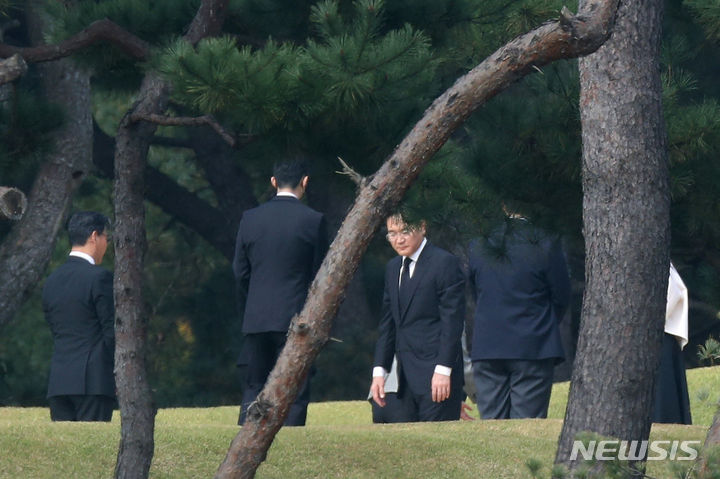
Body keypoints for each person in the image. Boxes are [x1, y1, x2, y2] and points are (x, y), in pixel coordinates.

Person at [233, 158, 328, 426]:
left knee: (254, 385)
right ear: (305, 182)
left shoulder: (250, 219)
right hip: (297, 317)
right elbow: (320, 276)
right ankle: (292, 438)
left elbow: (240, 272)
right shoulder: (313, 220)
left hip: (257, 316)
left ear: (273, 182)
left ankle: (247, 436)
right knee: (294, 388)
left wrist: (249, 306)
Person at [468, 214, 570, 419]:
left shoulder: (478, 243)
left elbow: (476, 292)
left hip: (489, 344)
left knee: (492, 426)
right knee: (526, 426)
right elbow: (561, 295)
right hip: (532, 343)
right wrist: (545, 322)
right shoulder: (545, 241)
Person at [370, 212, 466, 422]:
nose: (399, 239)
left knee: (438, 444)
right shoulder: (393, 268)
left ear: (422, 227)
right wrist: (380, 371)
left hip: (436, 374)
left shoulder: (444, 263)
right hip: (403, 378)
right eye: (392, 234)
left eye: (405, 231)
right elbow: (388, 324)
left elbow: (452, 322)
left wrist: (444, 369)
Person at [42, 211, 115, 422]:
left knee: (64, 451)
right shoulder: (100, 277)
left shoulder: (51, 281)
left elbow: (56, 329)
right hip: (93, 381)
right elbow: (110, 331)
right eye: (106, 238)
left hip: (59, 382)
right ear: (94, 236)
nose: (106, 244)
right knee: (92, 451)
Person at [652, 262, 691, 424]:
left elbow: (673, 292)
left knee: (664, 392)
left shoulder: (657, 261)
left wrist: (648, 320)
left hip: (661, 336)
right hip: (658, 334)